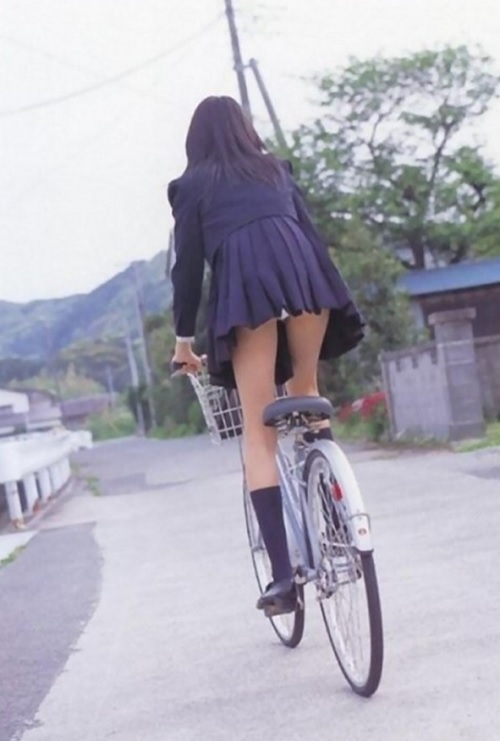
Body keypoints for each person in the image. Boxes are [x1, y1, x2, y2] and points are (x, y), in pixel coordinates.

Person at [168, 96, 365, 616]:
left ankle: (282, 578)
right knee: (307, 394)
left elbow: (187, 269)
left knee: (260, 429)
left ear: (196, 141)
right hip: (307, 281)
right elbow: (310, 236)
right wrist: (330, 294)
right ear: (245, 129)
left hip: (247, 291)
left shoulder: (192, 186)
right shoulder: (276, 170)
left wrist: (184, 341)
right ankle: (339, 529)